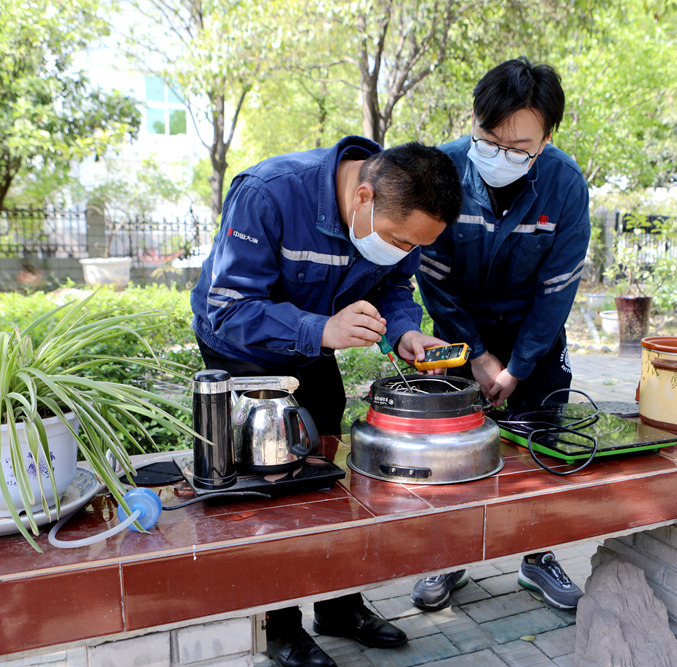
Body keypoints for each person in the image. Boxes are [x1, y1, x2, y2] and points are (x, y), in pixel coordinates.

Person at [191, 137, 463, 667]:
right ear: (363, 197)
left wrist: (404, 333)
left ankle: (339, 606)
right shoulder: (269, 193)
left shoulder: (400, 207)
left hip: (317, 344)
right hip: (243, 346)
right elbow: (228, 307)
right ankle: (279, 626)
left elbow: (395, 287)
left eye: (415, 246)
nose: (404, 251)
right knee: (269, 482)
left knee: (328, 473)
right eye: (398, 240)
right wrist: (320, 329)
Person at [410, 58, 591, 612]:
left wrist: (518, 366)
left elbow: (556, 290)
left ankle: (538, 554)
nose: (501, 155)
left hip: (534, 335)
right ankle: (449, 553)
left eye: (519, 147)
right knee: (454, 448)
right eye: (490, 140)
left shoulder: (564, 185)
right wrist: (477, 354)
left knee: (542, 443)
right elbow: (434, 279)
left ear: (546, 139)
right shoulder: (442, 171)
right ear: (474, 121)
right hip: (460, 329)